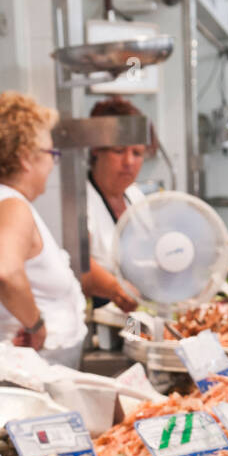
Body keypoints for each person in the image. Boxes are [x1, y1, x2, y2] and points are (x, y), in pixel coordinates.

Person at [0, 91, 86, 367]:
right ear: (25, 158)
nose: (51, 164)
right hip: (21, 371)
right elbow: (4, 271)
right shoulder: (11, 207)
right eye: (50, 153)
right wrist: (35, 325)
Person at [82, 95, 148, 313]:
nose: (129, 162)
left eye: (137, 153)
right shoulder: (81, 199)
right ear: (96, 150)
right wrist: (116, 288)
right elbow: (77, 263)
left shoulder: (135, 196)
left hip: (135, 315)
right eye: (119, 151)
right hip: (98, 320)